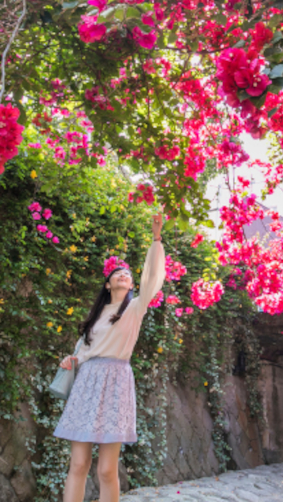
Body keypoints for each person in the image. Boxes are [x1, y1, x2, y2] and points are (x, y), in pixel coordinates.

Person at [55, 213, 167, 502]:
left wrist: (156, 239)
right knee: (78, 464)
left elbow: (152, 279)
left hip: (116, 382)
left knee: (106, 470)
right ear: (107, 285)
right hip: (87, 383)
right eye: (117, 273)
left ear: (131, 286)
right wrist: (71, 360)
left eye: (128, 275)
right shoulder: (95, 317)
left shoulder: (134, 310)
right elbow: (82, 352)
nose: (123, 275)